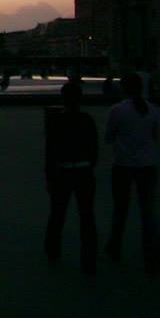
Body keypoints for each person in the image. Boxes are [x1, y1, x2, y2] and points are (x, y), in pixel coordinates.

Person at [104, 72, 160, 272]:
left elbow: (108, 137)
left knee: (120, 209)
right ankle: (152, 253)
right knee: (148, 212)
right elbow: (155, 137)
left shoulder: (117, 110)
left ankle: (115, 247)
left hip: (123, 165)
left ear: (124, 88)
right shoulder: (153, 110)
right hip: (148, 166)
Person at [44, 81, 98, 273]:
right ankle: (89, 257)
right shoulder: (87, 120)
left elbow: (50, 151)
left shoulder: (55, 120)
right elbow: (94, 150)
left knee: (57, 214)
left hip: (62, 171)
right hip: (84, 172)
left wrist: (49, 176)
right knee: (87, 216)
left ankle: (53, 250)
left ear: (62, 98)